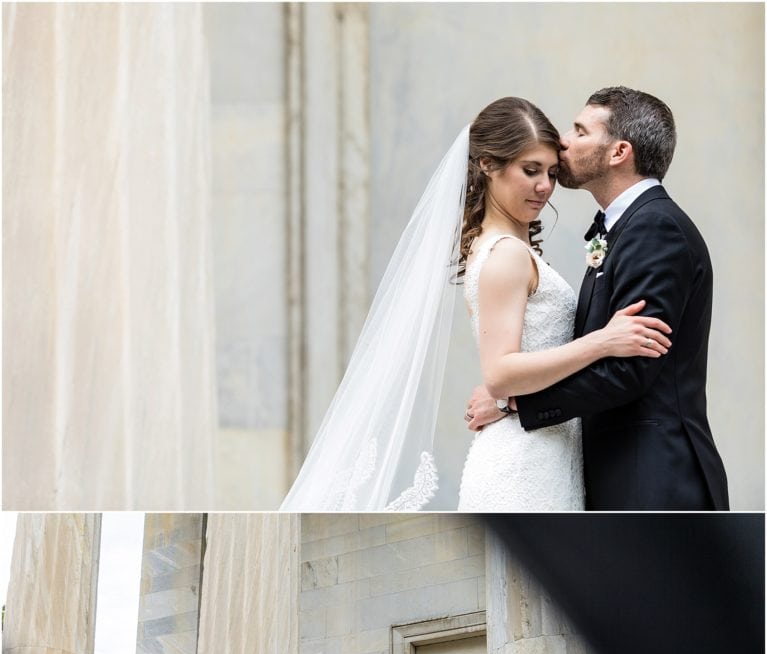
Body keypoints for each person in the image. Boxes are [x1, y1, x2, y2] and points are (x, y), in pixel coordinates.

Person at [280, 97, 669, 512]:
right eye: (530, 170)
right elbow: (500, 372)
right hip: (522, 467)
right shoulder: (505, 254)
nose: (545, 186)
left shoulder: (507, 249)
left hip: (548, 454)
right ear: (487, 165)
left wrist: (503, 398)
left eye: (551, 173)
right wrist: (602, 342)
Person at [468, 87, 729, 510]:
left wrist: (515, 402)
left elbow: (630, 369)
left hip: (653, 478)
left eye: (580, 131)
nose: (564, 140)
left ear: (618, 152)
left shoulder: (654, 228)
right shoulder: (622, 228)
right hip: (613, 472)